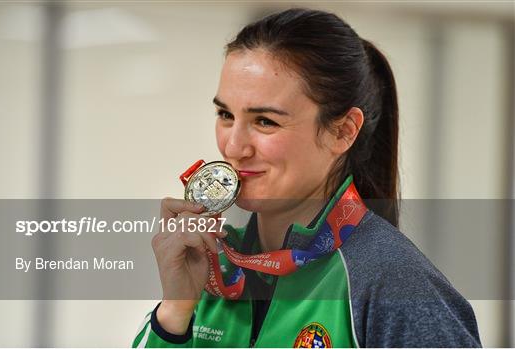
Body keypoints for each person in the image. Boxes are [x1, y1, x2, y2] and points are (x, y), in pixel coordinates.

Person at [133, 8, 481, 348]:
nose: (234, 146)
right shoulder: (212, 272)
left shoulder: (392, 284)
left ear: (342, 132)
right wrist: (175, 314)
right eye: (225, 114)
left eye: (265, 121)